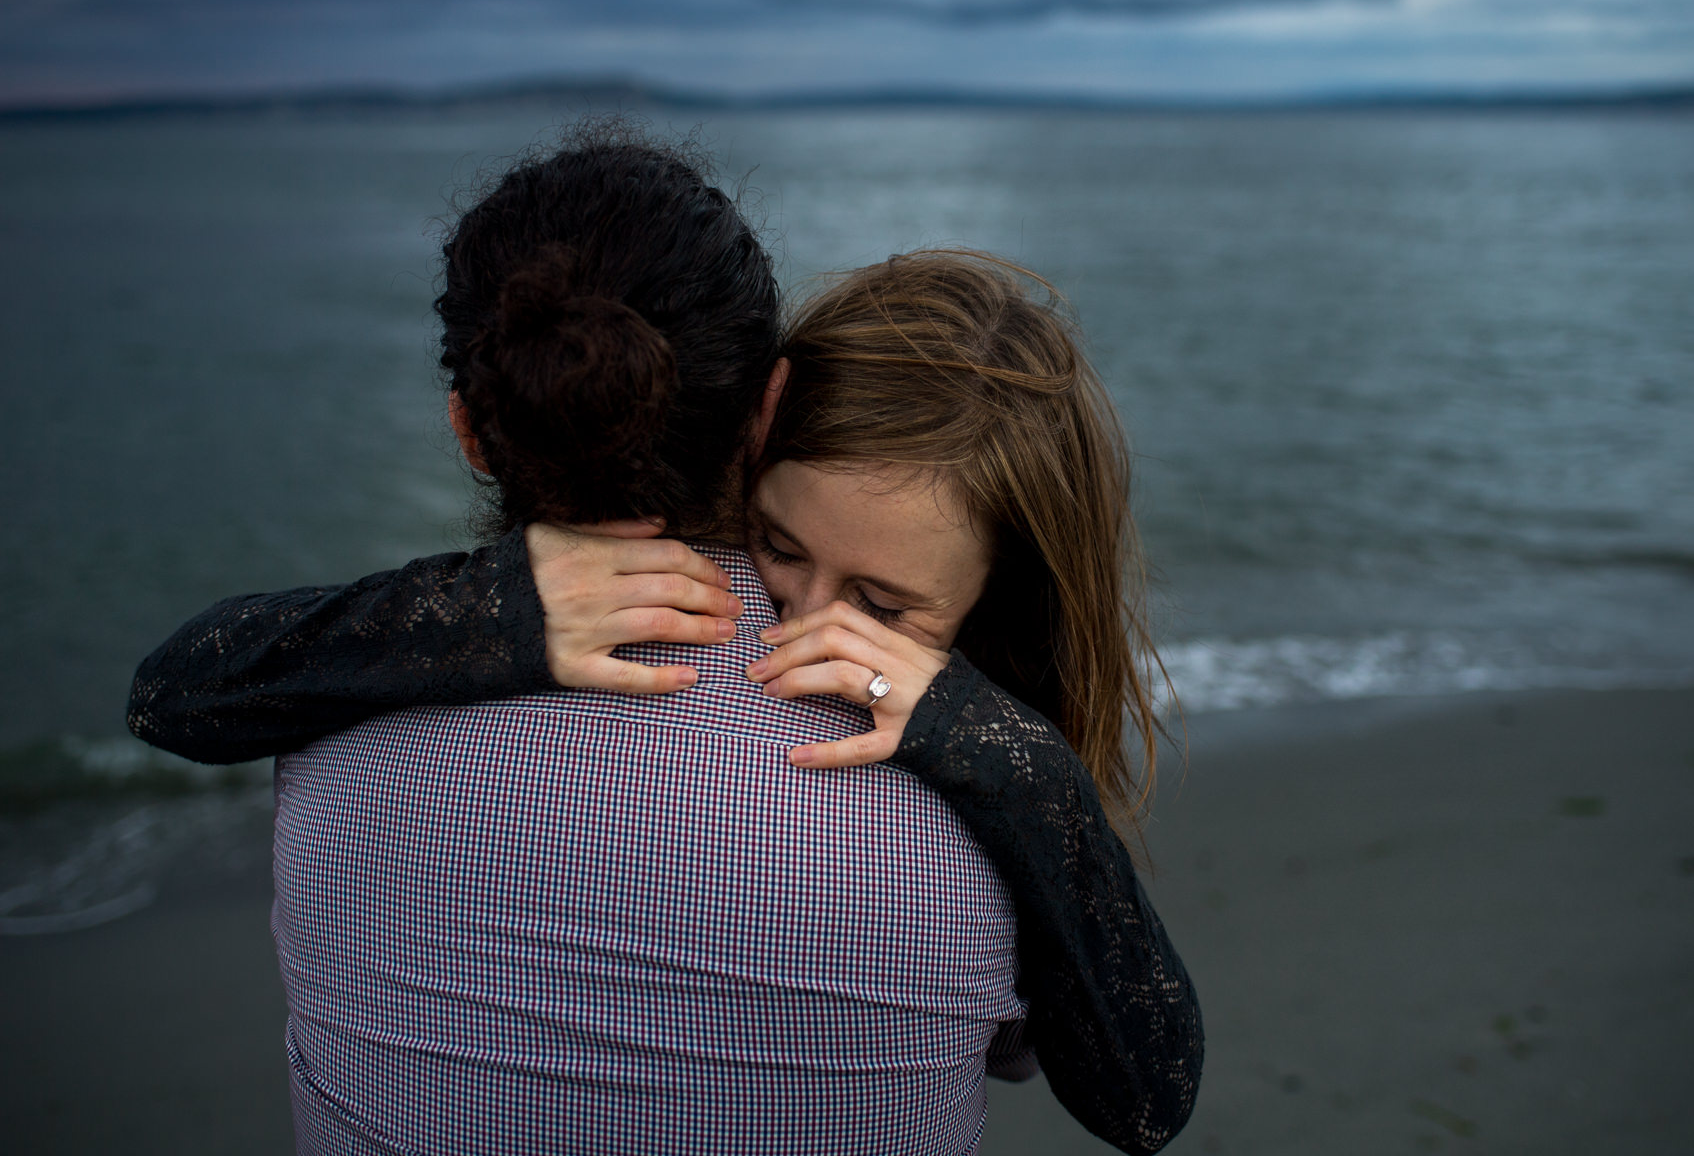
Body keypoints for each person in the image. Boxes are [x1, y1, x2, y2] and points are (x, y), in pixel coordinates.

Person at [130, 129, 1200, 1153]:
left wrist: (477, 611)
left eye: (880, 603)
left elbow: (179, 694)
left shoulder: (333, 732)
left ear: (465, 429)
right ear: (766, 408)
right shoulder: (953, 846)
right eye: (783, 549)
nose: (811, 626)